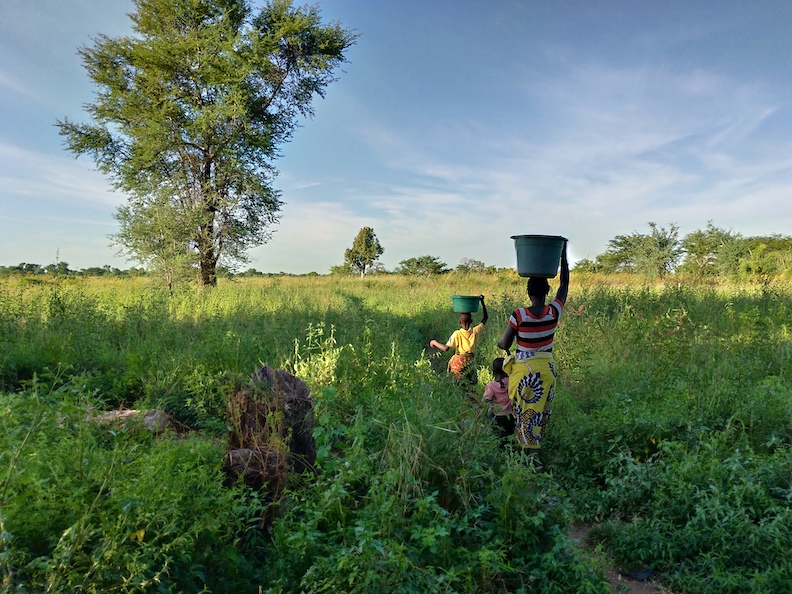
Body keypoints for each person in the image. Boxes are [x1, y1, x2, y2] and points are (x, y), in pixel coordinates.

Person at [497, 241, 569, 452]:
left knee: (523, 415)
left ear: (528, 291)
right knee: (539, 415)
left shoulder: (519, 314)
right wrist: (563, 255)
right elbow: (564, 286)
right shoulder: (553, 312)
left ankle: (528, 459)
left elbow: (505, 343)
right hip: (547, 371)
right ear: (547, 290)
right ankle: (534, 452)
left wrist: (500, 343)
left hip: (524, 373)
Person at [429, 295, 488, 382]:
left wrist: (434, 342)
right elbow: (485, 318)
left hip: (459, 364)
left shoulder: (457, 334)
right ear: (471, 322)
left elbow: (445, 348)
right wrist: (482, 302)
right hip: (470, 363)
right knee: (471, 385)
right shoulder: (475, 331)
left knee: (457, 385)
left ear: (459, 322)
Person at [483, 357, 514, 441]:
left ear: (494, 371)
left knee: (499, 436)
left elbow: (486, 399)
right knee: (510, 434)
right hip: (511, 414)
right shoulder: (511, 381)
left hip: (497, 415)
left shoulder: (491, 385)